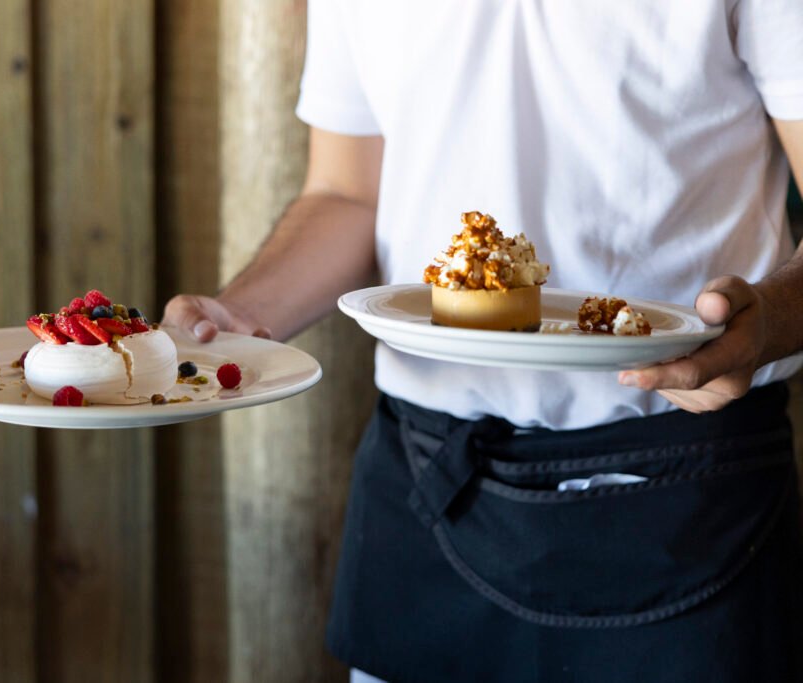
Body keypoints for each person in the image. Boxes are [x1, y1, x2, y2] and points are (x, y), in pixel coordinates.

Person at [163, 2, 803, 681]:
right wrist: (238, 314)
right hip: (426, 481)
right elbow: (348, 193)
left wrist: (766, 322)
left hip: (686, 491)